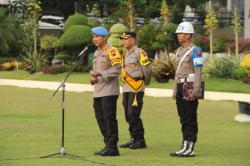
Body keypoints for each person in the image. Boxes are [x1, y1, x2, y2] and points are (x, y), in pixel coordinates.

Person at [170, 22, 203, 157]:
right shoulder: (179, 51)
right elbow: (177, 73)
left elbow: (198, 72)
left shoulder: (196, 51)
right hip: (180, 86)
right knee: (183, 117)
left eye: (181, 33)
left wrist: (195, 91)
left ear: (188, 35)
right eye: (178, 33)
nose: (179, 35)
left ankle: (190, 147)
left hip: (189, 86)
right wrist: (174, 91)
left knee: (190, 117)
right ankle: (184, 145)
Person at [90, 26, 122, 156]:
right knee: (100, 117)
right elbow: (95, 71)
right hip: (98, 90)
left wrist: (101, 74)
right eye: (93, 36)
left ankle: (113, 147)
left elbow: (117, 69)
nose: (95, 39)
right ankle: (107, 143)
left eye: (97, 36)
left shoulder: (112, 51)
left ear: (105, 38)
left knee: (109, 118)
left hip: (109, 91)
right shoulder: (97, 52)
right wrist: (92, 77)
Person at [119, 32, 151, 149]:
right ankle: (133, 138)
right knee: (128, 114)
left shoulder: (140, 52)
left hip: (136, 89)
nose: (123, 41)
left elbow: (147, 69)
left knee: (133, 113)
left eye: (125, 39)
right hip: (127, 88)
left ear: (132, 40)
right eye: (122, 39)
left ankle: (140, 140)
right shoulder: (125, 54)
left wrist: (144, 83)